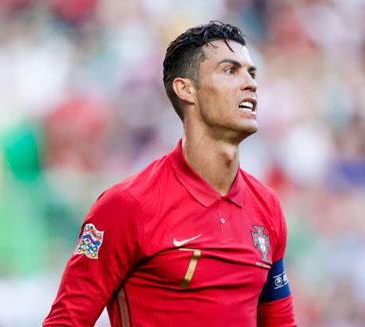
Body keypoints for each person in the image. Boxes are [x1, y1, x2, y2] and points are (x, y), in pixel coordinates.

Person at [43, 21, 297, 327]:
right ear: (186, 89)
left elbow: (280, 323)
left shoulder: (267, 206)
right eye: (230, 71)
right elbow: (66, 321)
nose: (251, 83)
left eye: (251, 73)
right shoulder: (128, 205)